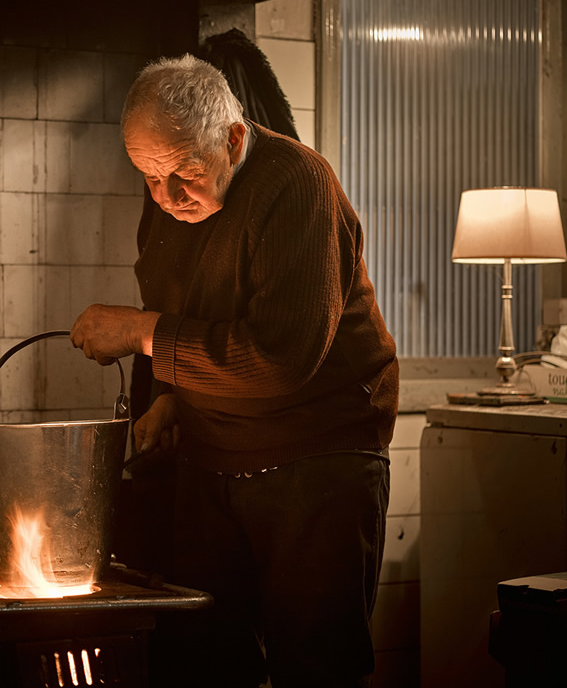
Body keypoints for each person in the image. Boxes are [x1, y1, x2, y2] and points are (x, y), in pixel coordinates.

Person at [70, 54, 398, 687]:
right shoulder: (170, 197)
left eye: (185, 174)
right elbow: (193, 307)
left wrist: (140, 332)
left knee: (316, 663)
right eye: (149, 176)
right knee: (205, 657)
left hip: (318, 458)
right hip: (215, 457)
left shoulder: (297, 184)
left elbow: (278, 361)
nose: (167, 198)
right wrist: (175, 396)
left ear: (235, 139)